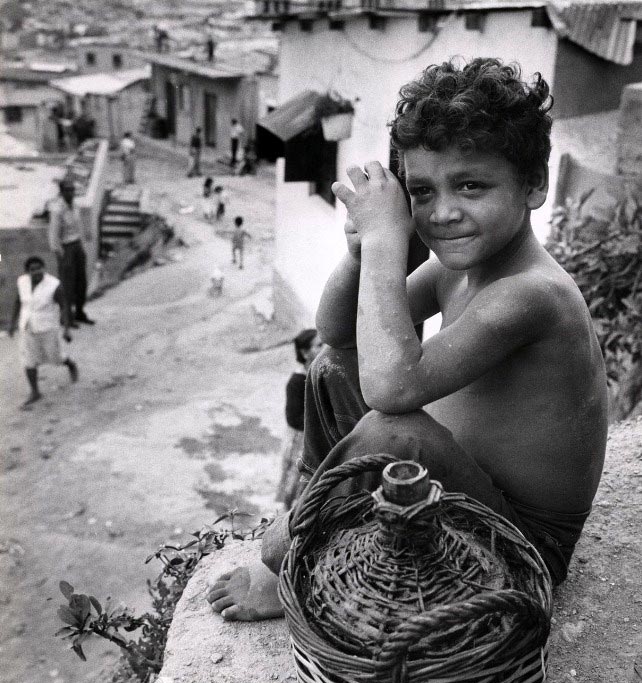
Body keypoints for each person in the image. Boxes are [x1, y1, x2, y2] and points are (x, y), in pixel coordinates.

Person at [206, 57, 608, 622]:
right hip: (459, 488)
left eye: (471, 185)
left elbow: (392, 389)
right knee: (330, 367)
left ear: (534, 185)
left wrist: (390, 240)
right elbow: (337, 332)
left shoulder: (533, 294)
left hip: (519, 547)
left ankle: (286, 557)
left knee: (393, 427)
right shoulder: (456, 272)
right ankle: (321, 521)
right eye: (421, 191)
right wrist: (363, 250)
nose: (443, 212)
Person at [8, 256, 78, 409]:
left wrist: (66, 328)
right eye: (32, 270)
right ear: (27, 272)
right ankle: (35, 392)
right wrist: (12, 323)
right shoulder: (22, 282)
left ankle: (70, 364)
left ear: (44, 268)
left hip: (47, 327)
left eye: (39, 268)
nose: (36, 272)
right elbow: (18, 301)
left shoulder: (53, 285)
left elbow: (64, 306)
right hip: (27, 326)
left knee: (54, 357)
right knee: (29, 360)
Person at [275, 329, 324, 510]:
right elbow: (293, 418)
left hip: (311, 436)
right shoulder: (297, 381)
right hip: (299, 440)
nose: (324, 348)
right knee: (293, 483)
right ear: (304, 352)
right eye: (319, 345)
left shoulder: (317, 372)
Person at [48, 178, 95, 327]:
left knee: (81, 282)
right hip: (65, 247)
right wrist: (59, 254)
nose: (71, 193)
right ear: (61, 192)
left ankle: (80, 312)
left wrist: (82, 246)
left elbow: (79, 227)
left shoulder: (75, 206)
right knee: (67, 285)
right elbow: (53, 235)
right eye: (67, 190)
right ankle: (66, 318)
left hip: (77, 246)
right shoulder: (57, 210)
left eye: (72, 190)